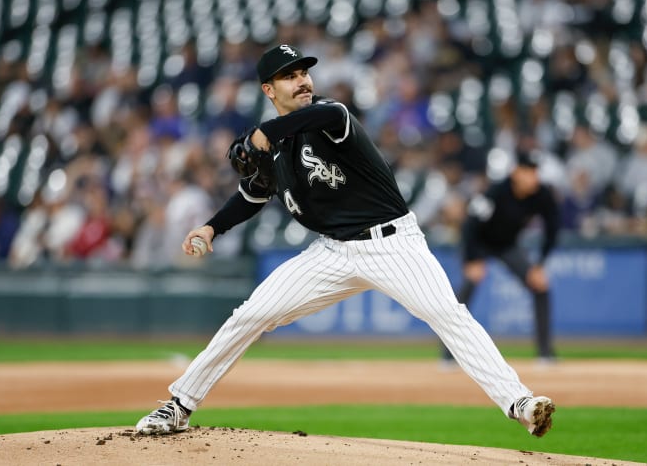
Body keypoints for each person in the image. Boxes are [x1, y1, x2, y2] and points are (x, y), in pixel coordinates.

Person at [135, 44, 555, 438]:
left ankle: (519, 402)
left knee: (449, 315)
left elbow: (318, 118)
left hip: (393, 245)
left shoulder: (330, 117)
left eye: (303, 73)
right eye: (288, 77)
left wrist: (263, 132)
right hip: (332, 252)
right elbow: (252, 195)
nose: (302, 81)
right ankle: (179, 406)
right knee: (249, 315)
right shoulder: (276, 151)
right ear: (268, 89)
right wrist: (211, 227)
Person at [440, 150, 559, 365]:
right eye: (528, 171)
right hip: (481, 244)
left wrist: (540, 264)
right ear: (515, 172)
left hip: (508, 246)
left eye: (535, 172)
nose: (533, 177)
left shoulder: (542, 195)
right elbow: (470, 225)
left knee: (540, 284)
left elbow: (552, 229)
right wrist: (471, 260)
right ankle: (449, 355)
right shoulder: (496, 192)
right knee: (466, 289)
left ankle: (545, 353)